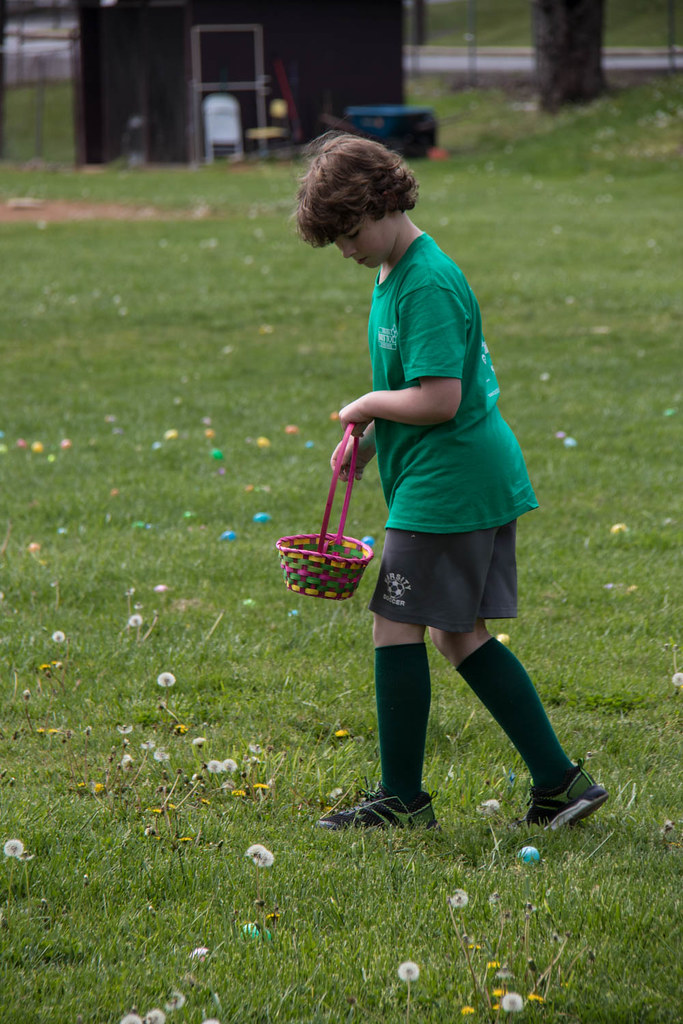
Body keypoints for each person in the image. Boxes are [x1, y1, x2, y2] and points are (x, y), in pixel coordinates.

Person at [295, 133, 608, 831]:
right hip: (452, 473)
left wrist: (364, 406)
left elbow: (436, 398)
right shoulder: (391, 271)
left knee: (395, 624)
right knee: (456, 632)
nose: (346, 251)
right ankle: (560, 783)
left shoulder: (426, 281)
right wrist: (370, 446)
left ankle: (401, 798)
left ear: (382, 203)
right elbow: (413, 385)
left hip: (452, 480)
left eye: (349, 234)